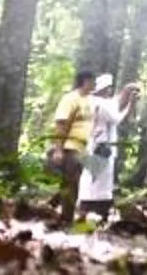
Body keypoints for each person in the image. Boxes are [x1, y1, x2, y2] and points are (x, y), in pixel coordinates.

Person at [76, 78, 140, 220]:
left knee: (101, 184)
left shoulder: (101, 102)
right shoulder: (97, 103)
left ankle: (98, 221)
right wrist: (131, 104)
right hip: (98, 147)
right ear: (103, 89)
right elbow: (117, 119)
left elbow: (117, 101)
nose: (110, 91)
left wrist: (128, 90)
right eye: (108, 88)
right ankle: (86, 221)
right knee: (94, 183)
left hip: (101, 147)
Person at [45, 72, 101, 214]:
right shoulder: (70, 99)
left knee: (74, 182)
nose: (95, 85)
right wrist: (58, 149)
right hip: (70, 147)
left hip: (83, 148)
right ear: (85, 81)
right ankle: (66, 218)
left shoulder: (90, 100)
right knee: (73, 182)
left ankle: (52, 205)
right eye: (93, 82)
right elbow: (61, 124)